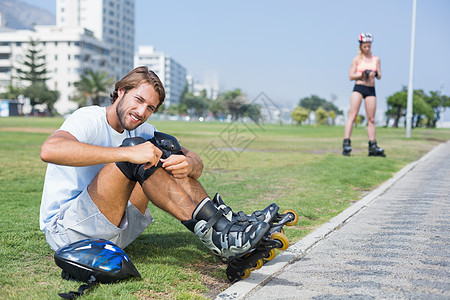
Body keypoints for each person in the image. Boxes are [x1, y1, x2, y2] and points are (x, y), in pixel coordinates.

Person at [39, 66, 269, 263]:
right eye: (138, 100)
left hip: (117, 230)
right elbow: (50, 150)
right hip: (69, 233)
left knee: (166, 149)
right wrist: (129, 153)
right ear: (121, 91)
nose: (142, 112)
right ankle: (217, 237)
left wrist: (187, 163)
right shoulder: (89, 118)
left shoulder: (142, 129)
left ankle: (224, 226)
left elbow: (195, 161)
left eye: (150, 107)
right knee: (134, 151)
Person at [342, 33, 385, 157]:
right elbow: (351, 76)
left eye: (369, 46)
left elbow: (380, 75)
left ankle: (372, 146)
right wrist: (363, 74)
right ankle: (346, 144)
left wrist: (375, 73)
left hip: (371, 89)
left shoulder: (376, 59)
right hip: (359, 88)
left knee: (371, 119)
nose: (367, 49)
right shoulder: (357, 60)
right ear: (360, 46)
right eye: (365, 46)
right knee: (353, 115)